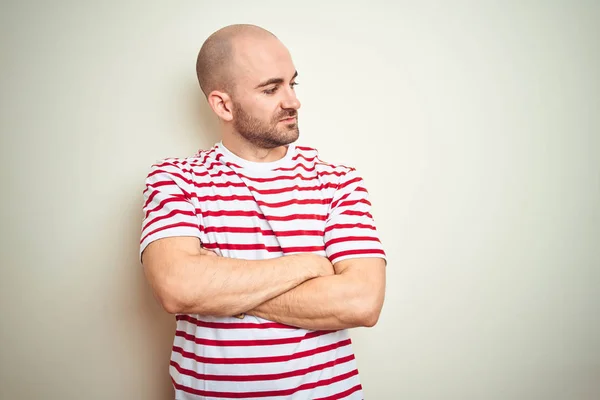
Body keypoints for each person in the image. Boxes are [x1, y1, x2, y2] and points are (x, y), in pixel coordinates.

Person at [140, 23, 387, 400]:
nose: (293, 101)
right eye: (271, 89)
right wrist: (309, 265)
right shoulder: (176, 179)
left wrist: (221, 289)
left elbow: (361, 302)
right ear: (223, 104)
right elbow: (178, 287)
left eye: (293, 83)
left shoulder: (339, 181)